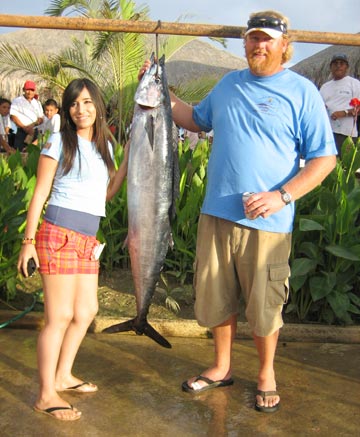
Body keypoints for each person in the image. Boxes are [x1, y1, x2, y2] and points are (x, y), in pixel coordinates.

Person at [140, 10, 337, 413]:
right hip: (217, 213)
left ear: (284, 44)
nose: (258, 46)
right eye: (252, 39)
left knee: (264, 304)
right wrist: (158, 88)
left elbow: (324, 159)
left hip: (267, 220)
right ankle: (221, 366)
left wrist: (281, 196)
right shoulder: (228, 85)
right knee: (217, 299)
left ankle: (266, 373)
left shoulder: (302, 92)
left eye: (266, 39)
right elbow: (195, 119)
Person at [17, 78, 129, 421]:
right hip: (58, 234)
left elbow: (103, 196)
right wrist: (28, 242)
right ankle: (46, 393)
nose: (81, 109)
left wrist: (127, 164)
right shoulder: (58, 143)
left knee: (86, 311)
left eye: (87, 102)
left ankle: (64, 375)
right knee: (60, 316)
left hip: (87, 240)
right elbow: (39, 194)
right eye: (74, 103)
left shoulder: (105, 148)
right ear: (67, 110)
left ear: (97, 105)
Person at [320, 53, 360, 157]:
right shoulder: (325, 87)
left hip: (347, 135)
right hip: (328, 134)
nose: (338, 66)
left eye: (341, 63)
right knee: (329, 168)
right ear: (331, 67)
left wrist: (344, 113)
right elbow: (319, 108)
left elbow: (358, 108)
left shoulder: (354, 84)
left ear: (346, 67)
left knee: (346, 169)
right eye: (335, 63)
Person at [10, 80, 44, 151]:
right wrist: (25, 127)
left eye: (32, 90)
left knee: (34, 153)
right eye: (28, 89)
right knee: (19, 152)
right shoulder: (17, 101)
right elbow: (13, 116)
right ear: (23, 90)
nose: (30, 92)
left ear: (34, 91)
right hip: (21, 131)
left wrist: (32, 125)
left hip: (34, 131)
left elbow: (41, 118)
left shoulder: (37, 103)